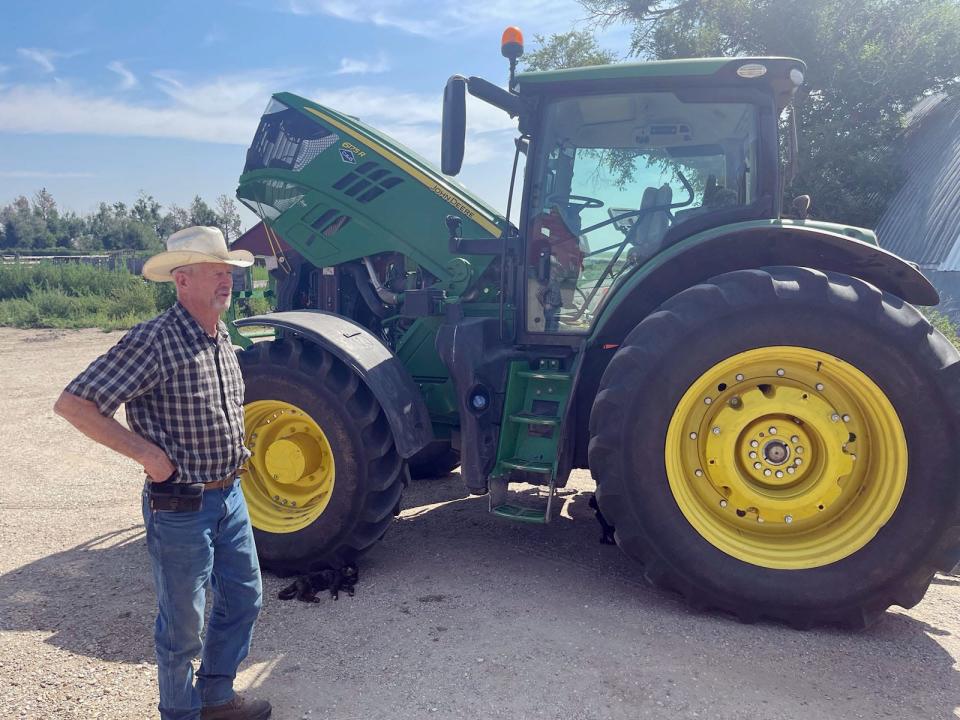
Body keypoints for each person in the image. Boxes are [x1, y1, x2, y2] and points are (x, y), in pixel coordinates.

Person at [54, 226, 271, 720]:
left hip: (230, 497)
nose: (227, 280)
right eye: (214, 272)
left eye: (228, 271)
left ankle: (216, 697)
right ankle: (180, 713)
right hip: (180, 505)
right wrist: (150, 457)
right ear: (182, 281)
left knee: (244, 600)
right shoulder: (155, 339)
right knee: (182, 627)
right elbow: (75, 404)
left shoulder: (219, 336)